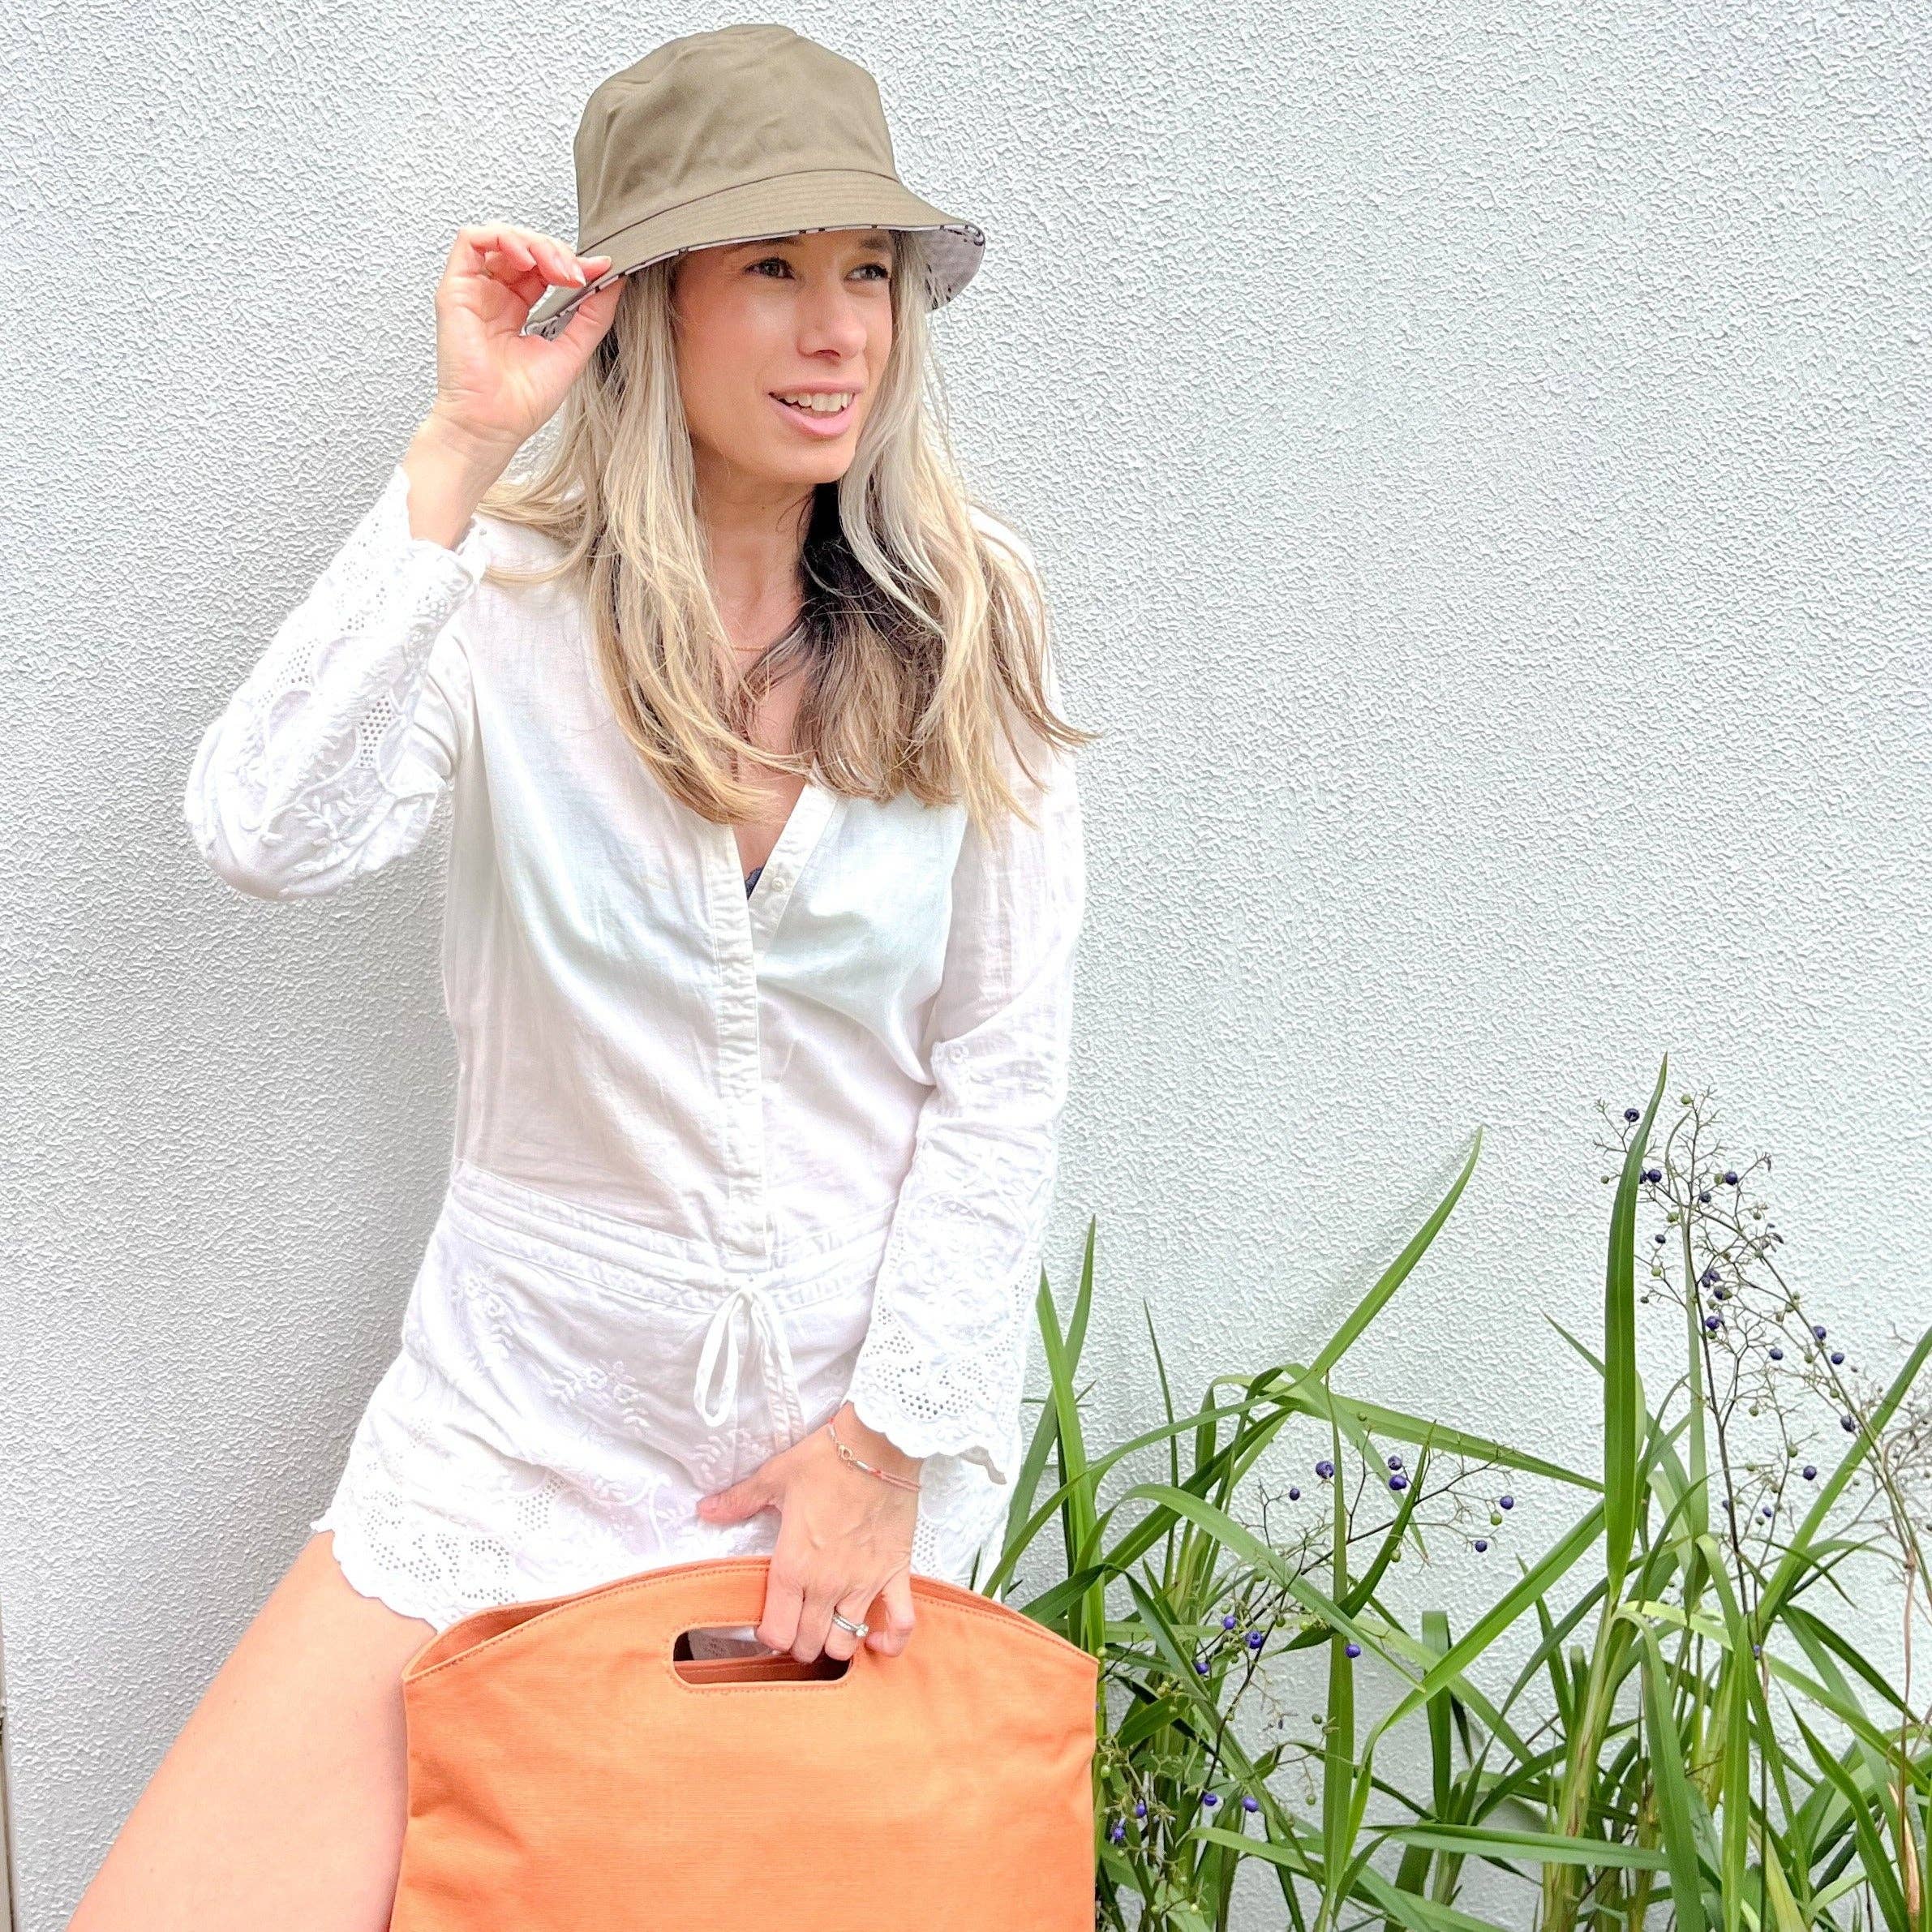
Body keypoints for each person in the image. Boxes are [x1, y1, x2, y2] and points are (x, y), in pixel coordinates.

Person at [68, 26, 1091, 1931]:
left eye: (866, 272)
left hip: (839, 1465)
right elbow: (262, 829)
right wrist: (463, 445)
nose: (837, 334)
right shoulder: (506, 610)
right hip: (518, 1431)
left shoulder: (970, 620)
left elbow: (1000, 1080)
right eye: (770, 268)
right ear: (649, 305)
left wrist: (887, 1451)